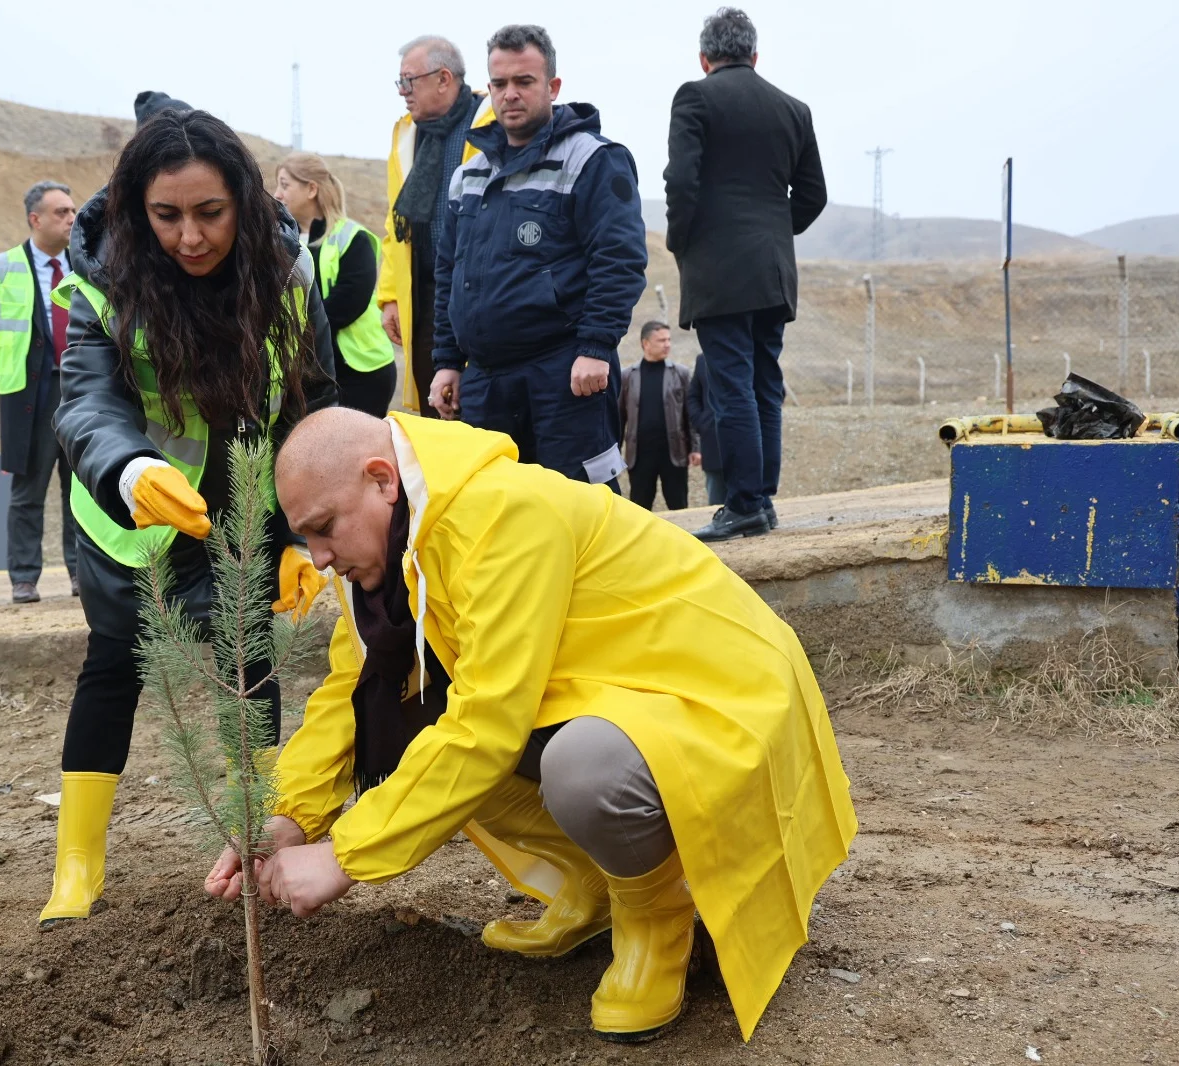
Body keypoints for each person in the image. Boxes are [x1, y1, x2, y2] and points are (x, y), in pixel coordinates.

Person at [205, 407, 856, 1043]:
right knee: (412, 723)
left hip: (716, 693)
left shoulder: (499, 516)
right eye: (305, 538)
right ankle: (598, 887)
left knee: (583, 770)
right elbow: (349, 692)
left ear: (381, 479)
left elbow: (488, 722)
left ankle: (657, 916)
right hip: (609, 690)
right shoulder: (391, 554)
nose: (317, 558)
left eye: (324, 529)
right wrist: (286, 814)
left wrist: (347, 857)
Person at [37, 107, 335, 926]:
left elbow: (315, 404)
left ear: (241, 200)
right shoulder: (103, 277)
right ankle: (77, 864)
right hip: (132, 513)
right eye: (166, 216)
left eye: (210, 213)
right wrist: (129, 468)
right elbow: (86, 402)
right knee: (113, 668)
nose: (190, 237)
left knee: (251, 663)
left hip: (248, 507)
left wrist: (308, 533)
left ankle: (254, 842)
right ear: (138, 210)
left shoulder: (287, 279)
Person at [429, 25, 647, 488]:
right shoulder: (468, 175)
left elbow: (620, 261)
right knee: (498, 514)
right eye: (500, 83)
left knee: (581, 514)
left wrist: (594, 347)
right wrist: (447, 360)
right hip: (486, 382)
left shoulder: (593, 160)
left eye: (524, 82)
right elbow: (450, 273)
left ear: (552, 86)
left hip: (565, 376)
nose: (510, 94)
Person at [664, 7, 825, 541]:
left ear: (704, 57)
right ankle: (762, 500)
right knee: (763, 385)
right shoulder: (794, 109)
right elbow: (813, 196)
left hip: (720, 271)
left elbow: (681, 182)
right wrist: (774, 235)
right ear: (755, 55)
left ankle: (745, 503)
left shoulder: (694, 96)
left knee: (731, 387)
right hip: (773, 272)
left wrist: (684, 242)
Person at [0, 180, 80, 604]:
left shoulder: (88, 266)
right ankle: (24, 577)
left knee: (83, 492)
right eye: (61, 212)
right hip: (30, 398)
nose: (71, 219)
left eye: (72, 211)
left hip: (81, 393)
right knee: (27, 493)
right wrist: (13, 377)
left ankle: (81, 574)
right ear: (35, 219)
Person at [380, 35, 495, 414]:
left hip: (482, 291)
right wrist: (391, 296)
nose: (402, 92)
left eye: (408, 81)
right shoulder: (407, 135)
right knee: (435, 403)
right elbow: (395, 226)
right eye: (400, 82)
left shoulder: (491, 121)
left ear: (444, 78)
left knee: (478, 406)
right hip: (425, 295)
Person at [274, 152, 397, 417]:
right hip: (304, 372)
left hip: (360, 372)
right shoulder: (281, 241)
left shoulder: (352, 237)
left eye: (285, 185)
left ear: (311, 189)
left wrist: (293, 326)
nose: (277, 194)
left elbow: (349, 300)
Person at [619, 321, 699, 511]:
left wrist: (696, 448)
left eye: (669, 340)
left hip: (674, 453)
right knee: (639, 507)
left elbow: (690, 414)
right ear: (645, 343)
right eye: (661, 340)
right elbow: (619, 418)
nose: (667, 344)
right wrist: (615, 453)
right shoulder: (628, 376)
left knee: (679, 506)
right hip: (639, 455)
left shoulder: (681, 373)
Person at [686, 351, 726, 506]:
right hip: (713, 443)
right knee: (717, 503)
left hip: (747, 444)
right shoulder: (703, 360)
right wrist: (702, 423)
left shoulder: (751, 352)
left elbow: (773, 392)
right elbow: (693, 396)